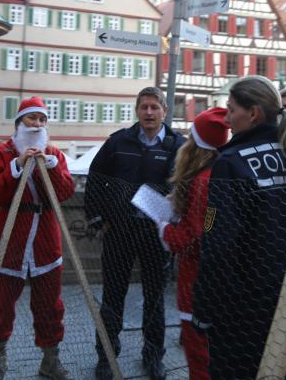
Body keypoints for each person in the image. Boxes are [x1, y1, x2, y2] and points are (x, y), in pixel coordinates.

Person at [192, 76, 286, 380]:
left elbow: (218, 242)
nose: (226, 119)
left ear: (253, 113)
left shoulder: (231, 162)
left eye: (230, 110)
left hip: (247, 316)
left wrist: (203, 309)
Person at [85, 87, 185, 380]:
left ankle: (153, 355)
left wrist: (179, 223)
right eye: (144, 107)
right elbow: (95, 178)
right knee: (113, 295)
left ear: (165, 111)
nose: (149, 113)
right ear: (137, 110)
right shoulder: (119, 141)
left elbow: (190, 188)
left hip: (157, 232)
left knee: (155, 297)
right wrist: (97, 217)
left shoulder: (177, 145)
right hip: (120, 228)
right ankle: (106, 355)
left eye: (155, 107)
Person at [0, 97, 75, 380]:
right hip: (10, 239)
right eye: (32, 119)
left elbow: (65, 192)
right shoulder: (0, 153)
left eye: (42, 120)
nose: (37, 124)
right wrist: (17, 166)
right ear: (19, 123)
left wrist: (51, 167)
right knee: (1, 304)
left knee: (50, 304)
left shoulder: (55, 154)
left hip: (45, 239)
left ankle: (50, 360)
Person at [155, 107, 229, 380]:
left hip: (197, 283)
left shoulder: (201, 182)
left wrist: (165, 229)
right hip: (221, 282)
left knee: (200, 359)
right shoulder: (222, 171)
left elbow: (195, 236)